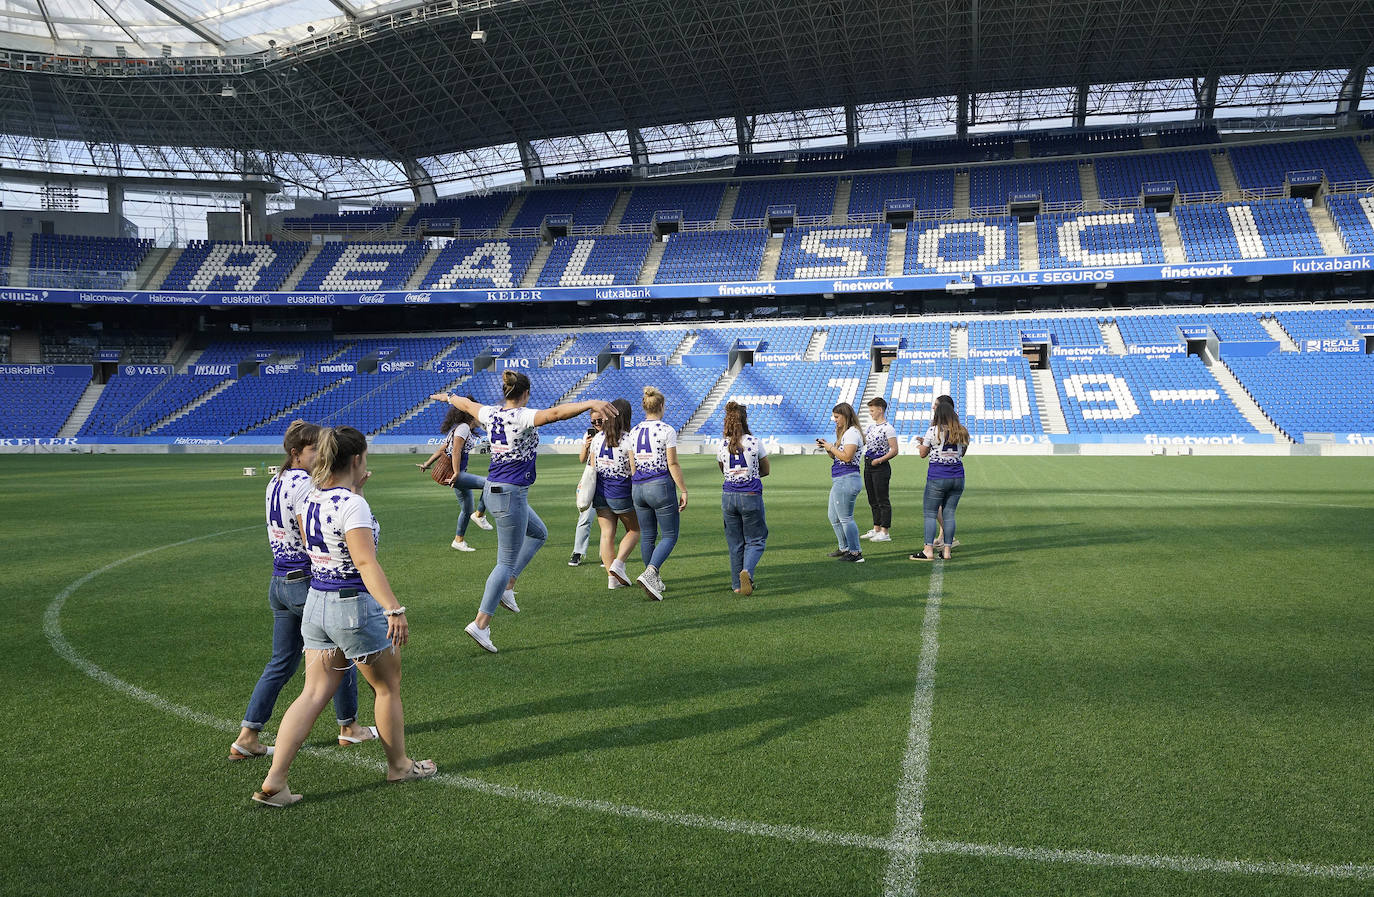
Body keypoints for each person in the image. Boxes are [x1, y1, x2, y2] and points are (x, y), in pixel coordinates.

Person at [253, 426, 433, 806]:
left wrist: (356, 491)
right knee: (386, 687)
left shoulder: (311, 497)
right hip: (351, 605)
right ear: (356, 459)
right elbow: (364, 560)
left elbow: (324, 541)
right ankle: (399, 766)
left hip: (316, 602)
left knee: (313, 692)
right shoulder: (353, 506)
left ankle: (275, 780)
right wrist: (393, 609)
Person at [432, 372, 616, 653]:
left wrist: (447, 397)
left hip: (495, 490)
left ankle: (508, 587)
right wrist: (590, 402)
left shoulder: (491, 413)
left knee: (539, 533)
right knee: (504, 562)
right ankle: (481, 623)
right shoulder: (522, 416)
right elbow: (555, 413)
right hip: (510, 495)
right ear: (526, 393)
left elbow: (465, 405)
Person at [232, 420, 375, 761]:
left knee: (281, 662)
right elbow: (312, 536)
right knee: (341, 654)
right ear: (296, 453)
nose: (319, 454)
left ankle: (248, 735)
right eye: (313, 449)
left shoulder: (275, 480)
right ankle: (349, 727)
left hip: (279, 580)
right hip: (303, 581)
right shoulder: (304, 486)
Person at [629, 386, 689, 600]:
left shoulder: (633, 431)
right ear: (661, 406)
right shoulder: (667, 430)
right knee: (670, 535)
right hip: (660, 485)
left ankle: (653, 578)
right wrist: (683, 489)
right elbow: (672, 463)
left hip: (638, 487)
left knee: (647, 535)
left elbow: (632, 464)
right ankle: (651, 572)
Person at [417, 400, 492, 552]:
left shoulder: (459, 429)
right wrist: (457, 473)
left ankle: (458, 540)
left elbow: (442, 449)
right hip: (456, 474)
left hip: (457, 473)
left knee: (466, 509)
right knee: (489, 483)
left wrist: (427, 463)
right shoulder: (463, 428)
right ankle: (479, 515)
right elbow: (456, 450)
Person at [582, 398, 640, 589]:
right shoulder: (628, 439)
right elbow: (634, 470)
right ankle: (618, 564)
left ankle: (611, 579)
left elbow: (591, 467)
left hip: (600, 491)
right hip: (621, 491)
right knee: (635, 530)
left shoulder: (598, 438)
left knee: (607, 534)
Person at [717, 401, 769, 595]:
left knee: (735, 543)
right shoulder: (754, 442)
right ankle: (747, 571)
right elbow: (766, 469)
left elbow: (722, 469)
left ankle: (736, 585)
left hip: (728, 496)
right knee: (756, 540)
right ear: (744, 420)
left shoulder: (721, 444)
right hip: (751, 495)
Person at [910, 401, 970, 562]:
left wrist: (920, 445)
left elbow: (923, 453)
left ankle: (928, 550)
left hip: (938, 475)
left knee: (930, 514)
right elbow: (962, 452)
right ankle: (947, 551)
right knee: (949, 514)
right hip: (957, 476)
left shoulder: (933, 430)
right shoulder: (962, 430)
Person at [817, 402, 865, 563]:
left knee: (846, 518)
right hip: (841, 479)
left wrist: (831, 447)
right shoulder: (846, 433)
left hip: (847, 478)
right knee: (833, 516)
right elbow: (837, 456)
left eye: (837, 417)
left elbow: (847, 457)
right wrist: (827, 447)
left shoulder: (852, 433)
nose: (835, 420)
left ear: (846, 416)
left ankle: (855, 552)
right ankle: (845, 548)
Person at [860, 396, 899, 543]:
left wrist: (880, 460)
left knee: (882, 499)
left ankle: (885, 531)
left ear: (880, 410)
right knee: (872, 498)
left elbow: (894, 450)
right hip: (868, 464)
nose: (870, 413)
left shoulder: (888, 428)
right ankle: (876, 528)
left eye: (872, 410)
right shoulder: (871, 427)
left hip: (880, 466)